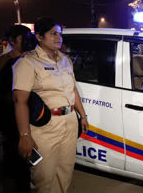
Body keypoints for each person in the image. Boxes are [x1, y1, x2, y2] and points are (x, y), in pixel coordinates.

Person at [12, 17, 89, 193]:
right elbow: (20, 101)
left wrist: (82, 115)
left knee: (65, 173)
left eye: (60, 34)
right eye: (53, 33)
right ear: (39, 36)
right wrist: (25, 135)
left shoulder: (65, 60)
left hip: (69, 121)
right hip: (45, 126)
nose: (58, 38)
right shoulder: (27, 63)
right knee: (43, 177)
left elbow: (73, 90)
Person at [0, 24, 36, 192]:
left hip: (27, 116)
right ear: (13, 40)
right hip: (9, 118)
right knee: (12, 162)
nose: (29, 40)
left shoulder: (30, 60)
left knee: (27, 160)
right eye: (25, 37)